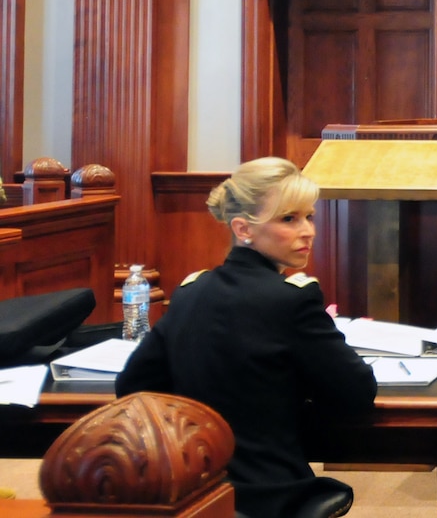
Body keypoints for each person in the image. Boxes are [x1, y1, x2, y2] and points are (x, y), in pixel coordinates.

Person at [117, 158, 376, 518]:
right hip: (269, 493)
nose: (308, 231)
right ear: (243, 228)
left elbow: (132, 386)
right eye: (289, 219)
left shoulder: (191, 290)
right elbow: (357, 395)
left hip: (193, 488)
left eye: (309, 216)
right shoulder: (292, 298)